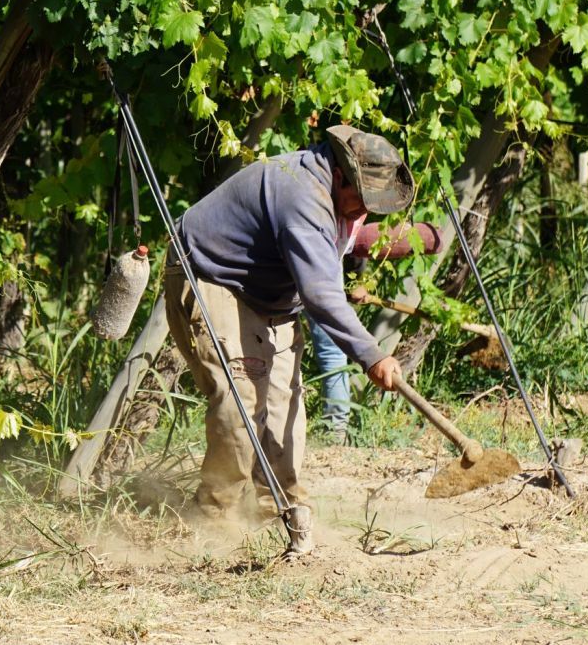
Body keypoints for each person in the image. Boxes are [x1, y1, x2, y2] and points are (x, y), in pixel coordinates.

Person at [164, 125, 419, 554]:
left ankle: (278, 512)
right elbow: (321, 294)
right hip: (209, 275)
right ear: (340, 175)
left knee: (284, 409)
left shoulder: (339, 197)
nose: (365, 213)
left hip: (271, 295)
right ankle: (213, 521)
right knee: (240, 401)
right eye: (361, 199)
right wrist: (371, 355)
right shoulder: (303, 194)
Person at [308, 221, 443, 442]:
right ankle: (334, 428)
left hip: (317, 268)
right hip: (317, 272)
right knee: (329, 353)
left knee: (325, 351)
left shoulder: (334, 204)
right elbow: (349, 237)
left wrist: (356, 284)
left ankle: (334, 428)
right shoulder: (330, 208)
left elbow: (350, 240)